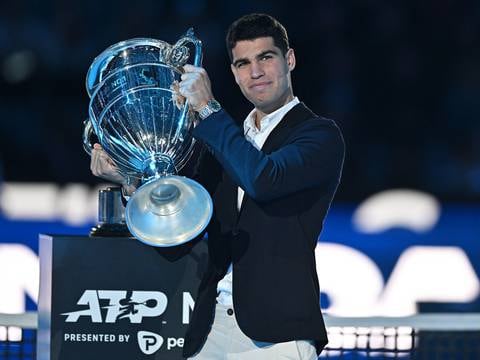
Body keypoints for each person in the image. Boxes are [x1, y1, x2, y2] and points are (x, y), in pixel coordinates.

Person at [91, 13, 344, 360]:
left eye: (266, 58)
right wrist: (134, 181)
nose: (255, 72)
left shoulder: (319, 135)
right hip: (209, 330)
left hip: (277, 338)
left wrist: (208, 109)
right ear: (234, 74)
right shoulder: (226, 141)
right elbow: (181, 234)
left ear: (290, 60)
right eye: (243, 63)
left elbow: (263, 180)